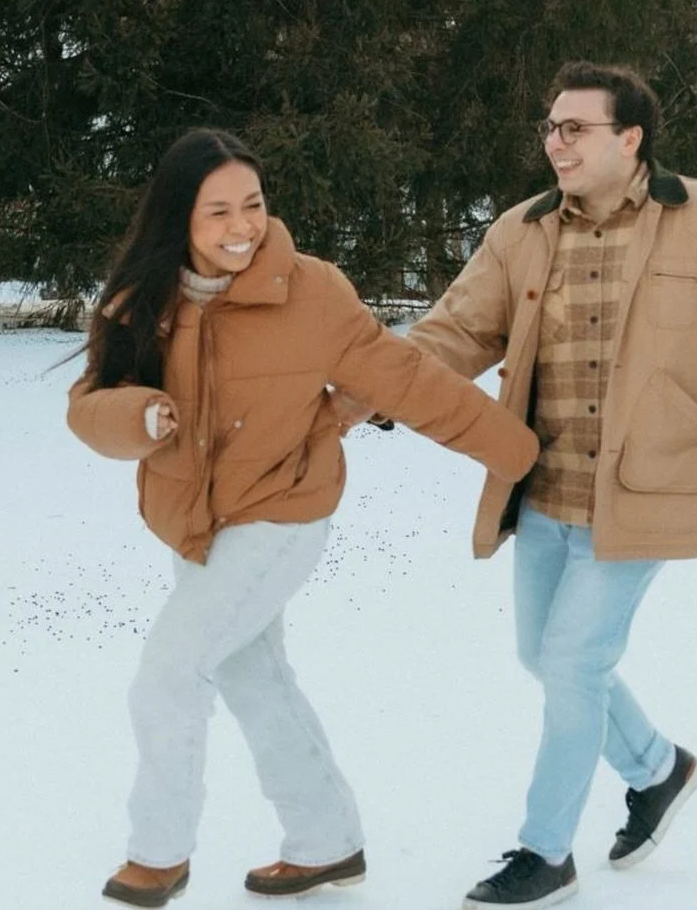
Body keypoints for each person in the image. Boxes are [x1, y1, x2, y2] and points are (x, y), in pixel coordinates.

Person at [400, 61, 697, 908]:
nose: (555, 142)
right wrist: (377, 389)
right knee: (546, 655)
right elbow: (457, 331)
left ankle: (546, 852)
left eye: (575, 129)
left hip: (647, 488)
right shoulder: (522, 230)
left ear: (629, 138)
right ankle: (657, 768)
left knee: (571, 660)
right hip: (542, 489)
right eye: (549, 127)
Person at [67, 127, 539, 908]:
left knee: (169, 675)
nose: (241, 226)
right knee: (254, 676)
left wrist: (519, 455)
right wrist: (139, 415)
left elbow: (409, 380)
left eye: (251, 204)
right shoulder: (138, 301)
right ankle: (326, 840)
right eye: (217, 211)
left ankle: (159, 855)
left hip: (282, 515)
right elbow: (87, 410)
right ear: (177, 218)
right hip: (194, 521)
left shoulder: (311, 291)